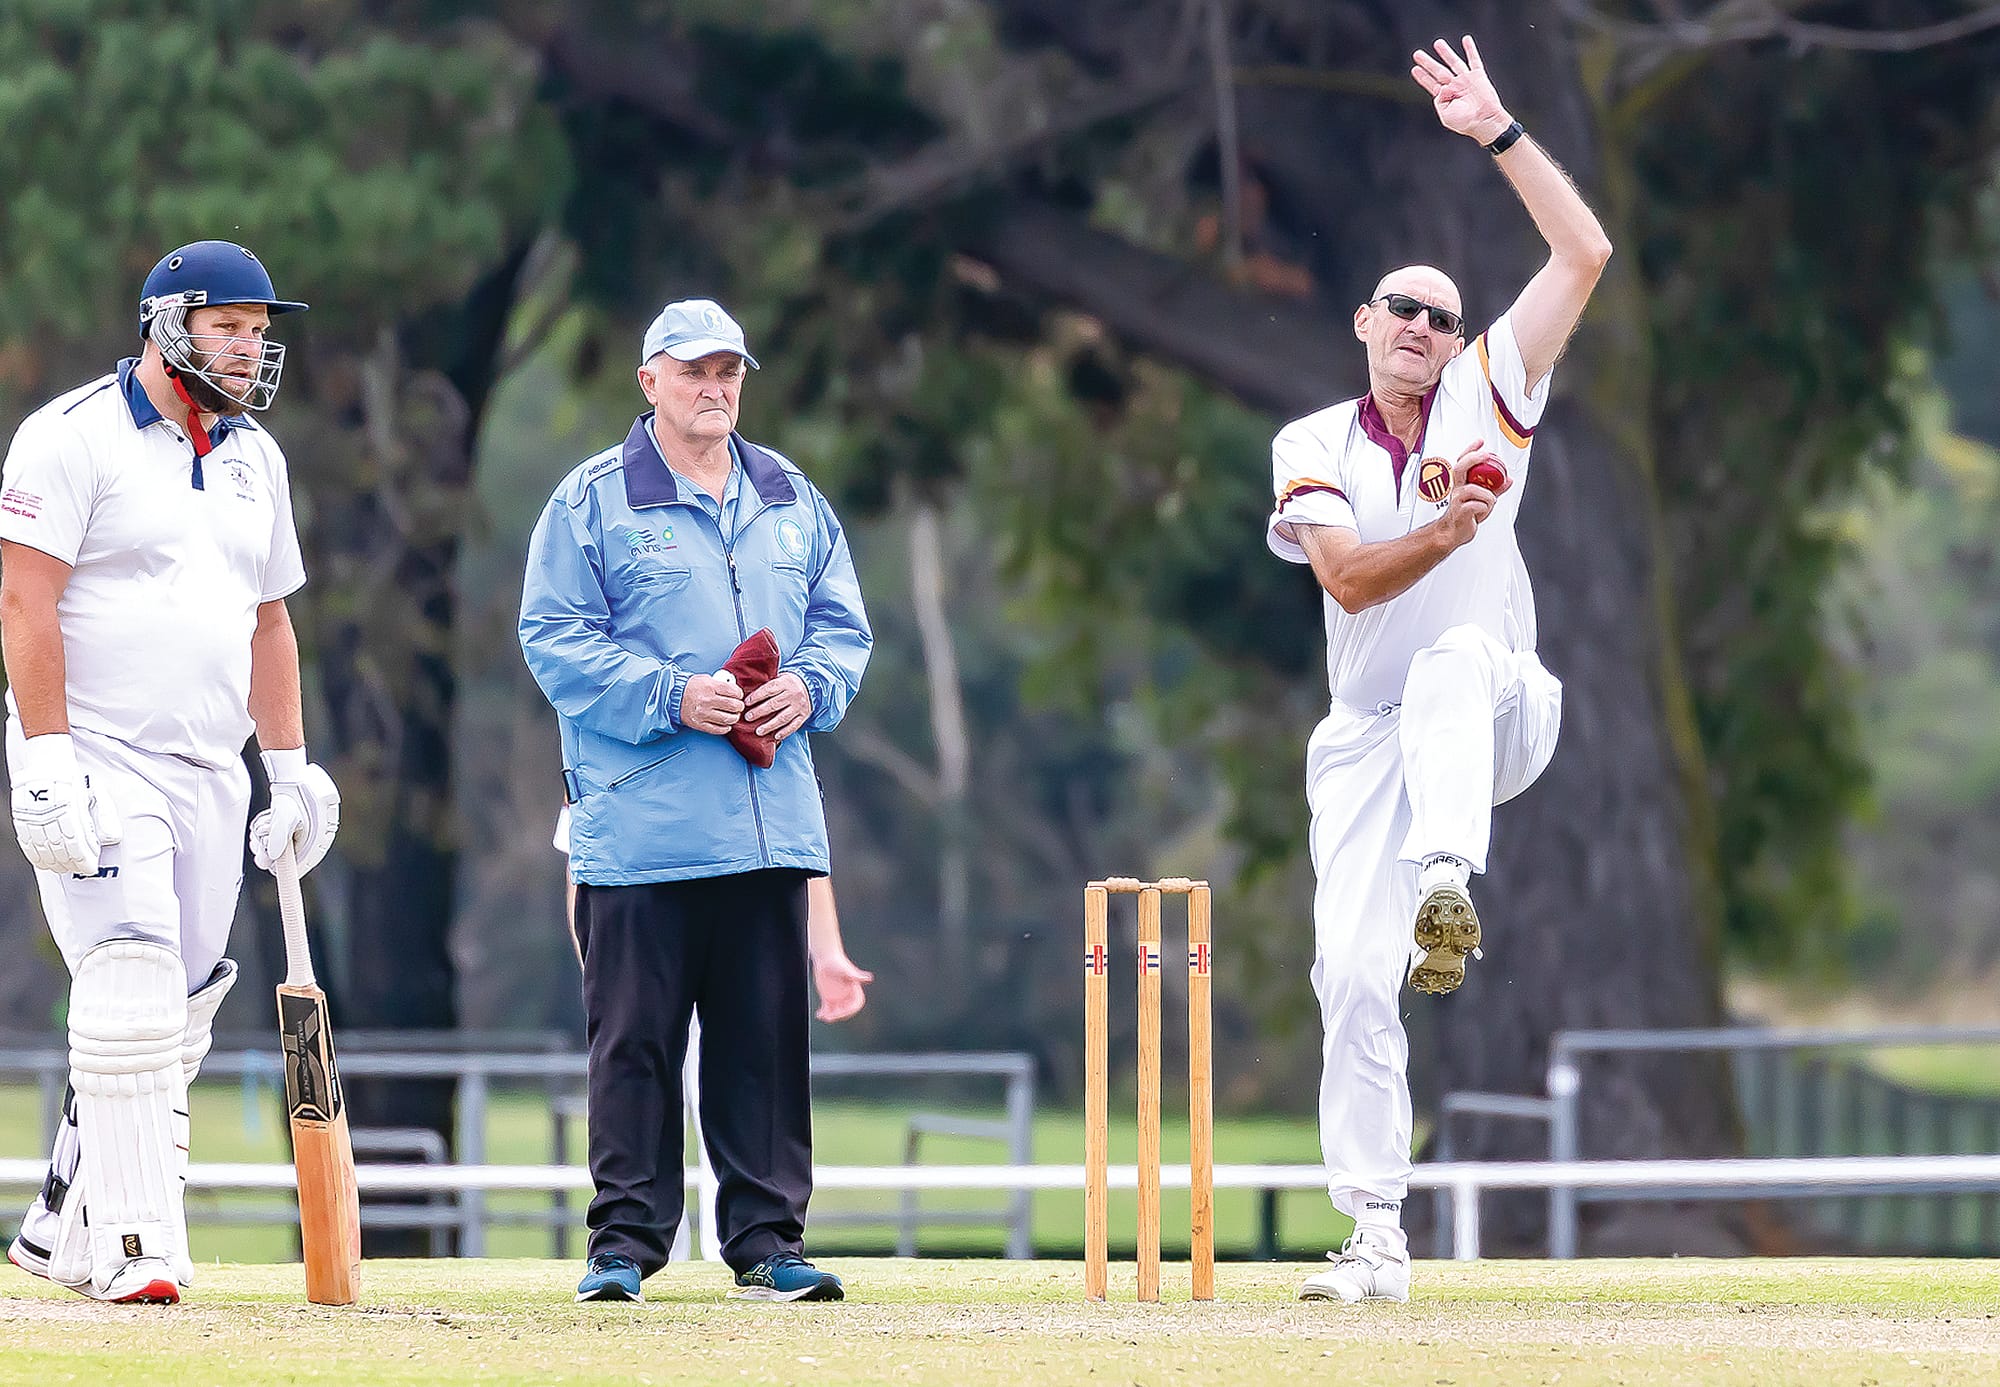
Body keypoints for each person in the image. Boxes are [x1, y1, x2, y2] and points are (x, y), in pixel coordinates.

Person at [1265, 37, 1612, 1304]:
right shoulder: (1308, 440)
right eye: (1399, 308)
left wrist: (1497, 132)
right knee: (1347, 978)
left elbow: (1584, 256)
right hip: (1365, 737)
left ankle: (1448, 886)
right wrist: (1444, 531)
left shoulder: (1488, 391)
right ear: (1362, 324)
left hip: (1499, 714)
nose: (1420, 326)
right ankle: (1373, 1237)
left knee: (1460, 655)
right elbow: (1348, 580)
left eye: (1440, 314)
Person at [0, 241, 340, 1304]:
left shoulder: (257, 459)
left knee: (180, 1007)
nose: (249, 348)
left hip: (210, 764)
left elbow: (270, 621)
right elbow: (24, 601)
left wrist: (288, 771)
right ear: (165, 324)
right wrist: (46, 758)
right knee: (131, 981)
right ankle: (138, 1247)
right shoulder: (69, 437)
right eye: (228, 327)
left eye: (259, 330)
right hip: (95, 749)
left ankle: (60, 1220)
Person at [519, 298, 871, 1304]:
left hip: (767, 825)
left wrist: (810, 683)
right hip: (638, 831)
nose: (714, 388)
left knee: (764, 1042)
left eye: (727, 371)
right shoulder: (589, 501)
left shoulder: (791, 496)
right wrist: (672, 695)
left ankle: (767, 1243)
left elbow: (844, 630)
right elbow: (553, 640)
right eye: (692, 372)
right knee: (632, 1043)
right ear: (649, 383)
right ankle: (622, 1247)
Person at [550, 803, 873, 1262]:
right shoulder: (609, 772)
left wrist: (827, 952)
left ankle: (751, 1247)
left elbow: (796, 851)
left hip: (736, 934)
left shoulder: (762, 766)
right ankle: (639, 1251)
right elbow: (584, 860)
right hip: (650, 940)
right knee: (642, 1107)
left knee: (742, 1100)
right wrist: (600, 968)